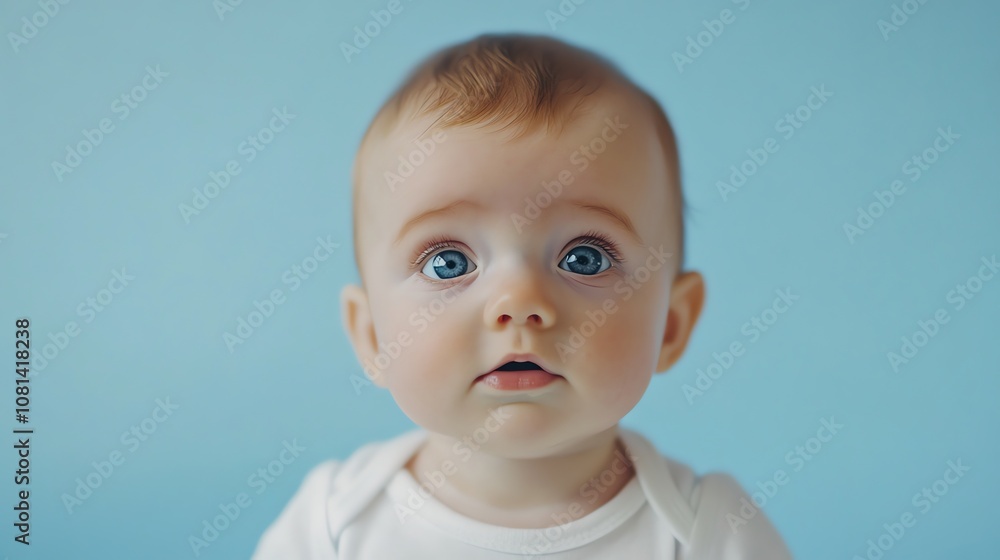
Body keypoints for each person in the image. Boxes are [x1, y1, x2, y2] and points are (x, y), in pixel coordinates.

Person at [253, 33, 793, 559]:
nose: (517, 302)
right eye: (449, 263)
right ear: (372, 336)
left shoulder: (707, 532)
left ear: (671, 325)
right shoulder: (332, 524)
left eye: (585, 258)